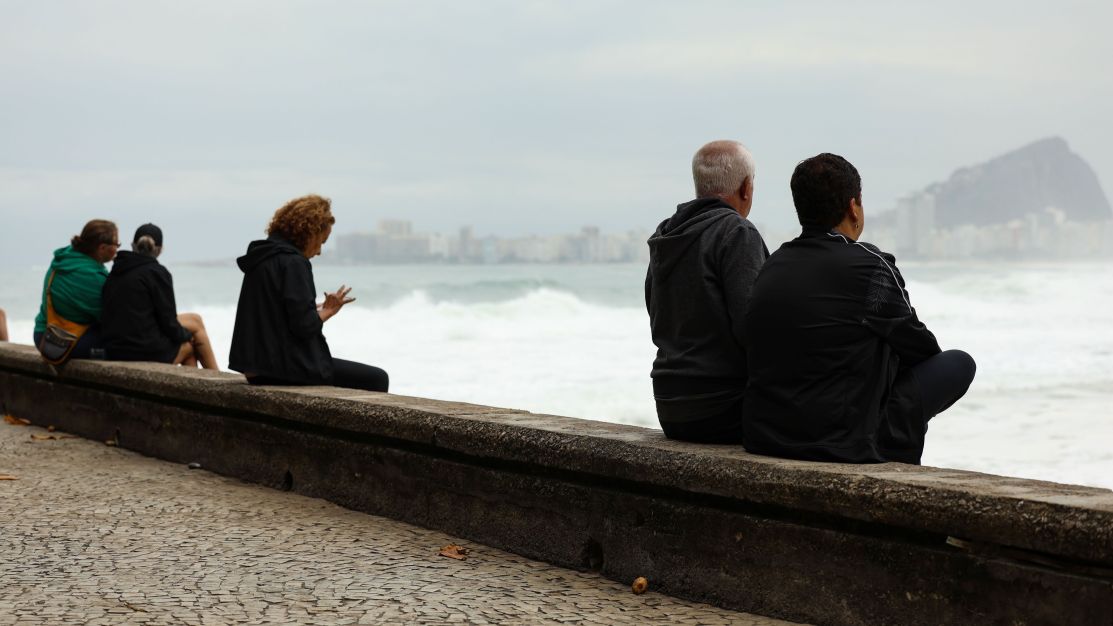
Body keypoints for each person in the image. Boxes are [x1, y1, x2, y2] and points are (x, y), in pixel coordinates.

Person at [743, 153, 976, 464]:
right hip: (843, 442)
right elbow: (920, 348)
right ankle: (892, 447)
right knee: (959, 363)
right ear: (854, 207)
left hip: (766, 436)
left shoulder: (772, 265)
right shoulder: (870, 265)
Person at [646, 140, 769, 443]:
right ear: (746, 188)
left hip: (669, 406)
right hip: (723, 407)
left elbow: (654, 312)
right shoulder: (737, 232)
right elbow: (752, 328)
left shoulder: (667, 234)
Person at [229, 194, 389, 392]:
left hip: (256, 367)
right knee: (377, 378)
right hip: (283, 368)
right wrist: (328, 310)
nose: (320, 251)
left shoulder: (263, 256)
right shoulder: (294, 262)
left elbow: (272, 313)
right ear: (310, 233)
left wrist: (310, 307)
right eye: (322, 241)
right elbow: (303, 326)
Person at [101, 224, 219, 369]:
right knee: (189, 348)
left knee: (195, 320)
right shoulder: (156, 273)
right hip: (141, 351)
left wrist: (183, 334)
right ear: (160, 249)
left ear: (133, 245)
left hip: (115, 349)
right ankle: (218, 379)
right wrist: (187, 336)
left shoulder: (115, 271)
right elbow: (168, 322)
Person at [33, 220, 119, 359]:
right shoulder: (92, 276)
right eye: (116, 245)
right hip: (61, 342)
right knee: (119, 348)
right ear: (102, 248)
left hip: (42, 333)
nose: (117, 250)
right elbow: (109, 318)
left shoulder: (64, 258)